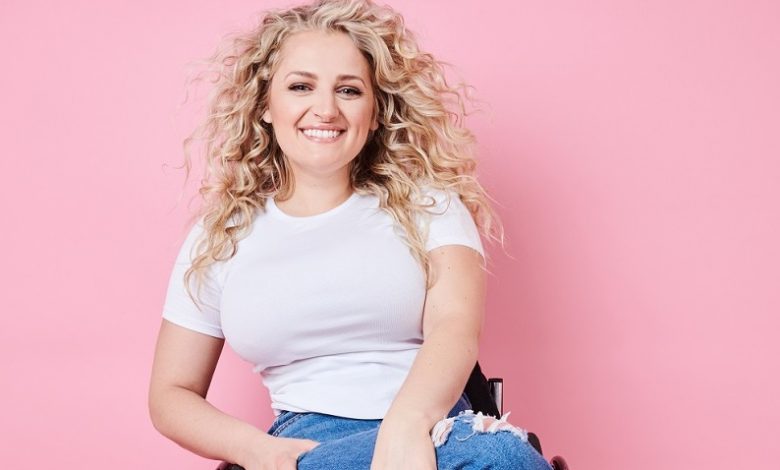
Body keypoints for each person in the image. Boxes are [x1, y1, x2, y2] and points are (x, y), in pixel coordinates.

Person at [149, 0, 552, 469]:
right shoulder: (220, 236)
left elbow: (455, 327)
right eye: (301, 86)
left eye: (349, 90)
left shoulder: (429, 205)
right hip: (309, 445)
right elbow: (170, 394)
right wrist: (258, 452)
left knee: (499, 454)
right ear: (264, 106)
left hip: (436, 428)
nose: (325, 109)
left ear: (376, 111)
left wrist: (406, 428)